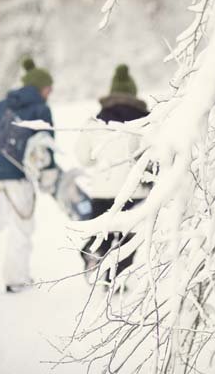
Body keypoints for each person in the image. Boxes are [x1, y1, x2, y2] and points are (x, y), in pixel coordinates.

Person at [0, 57, 56, 293]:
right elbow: (46, 143)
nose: (51, 92)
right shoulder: (41, 109)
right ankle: (16, 279)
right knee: (21, 227)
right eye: (49, 88)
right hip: (18, 176)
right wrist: (49, 172)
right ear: (40, 88)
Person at [75, 64, 150, 286]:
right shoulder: (145, 120)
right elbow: (152, 154)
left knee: (103, 233)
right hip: (133, 190)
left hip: (102, 191)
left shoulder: (95, 121)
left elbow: (83, 157)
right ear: (133, 94)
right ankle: (115, 279)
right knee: (127, 238)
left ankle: (94, 251)